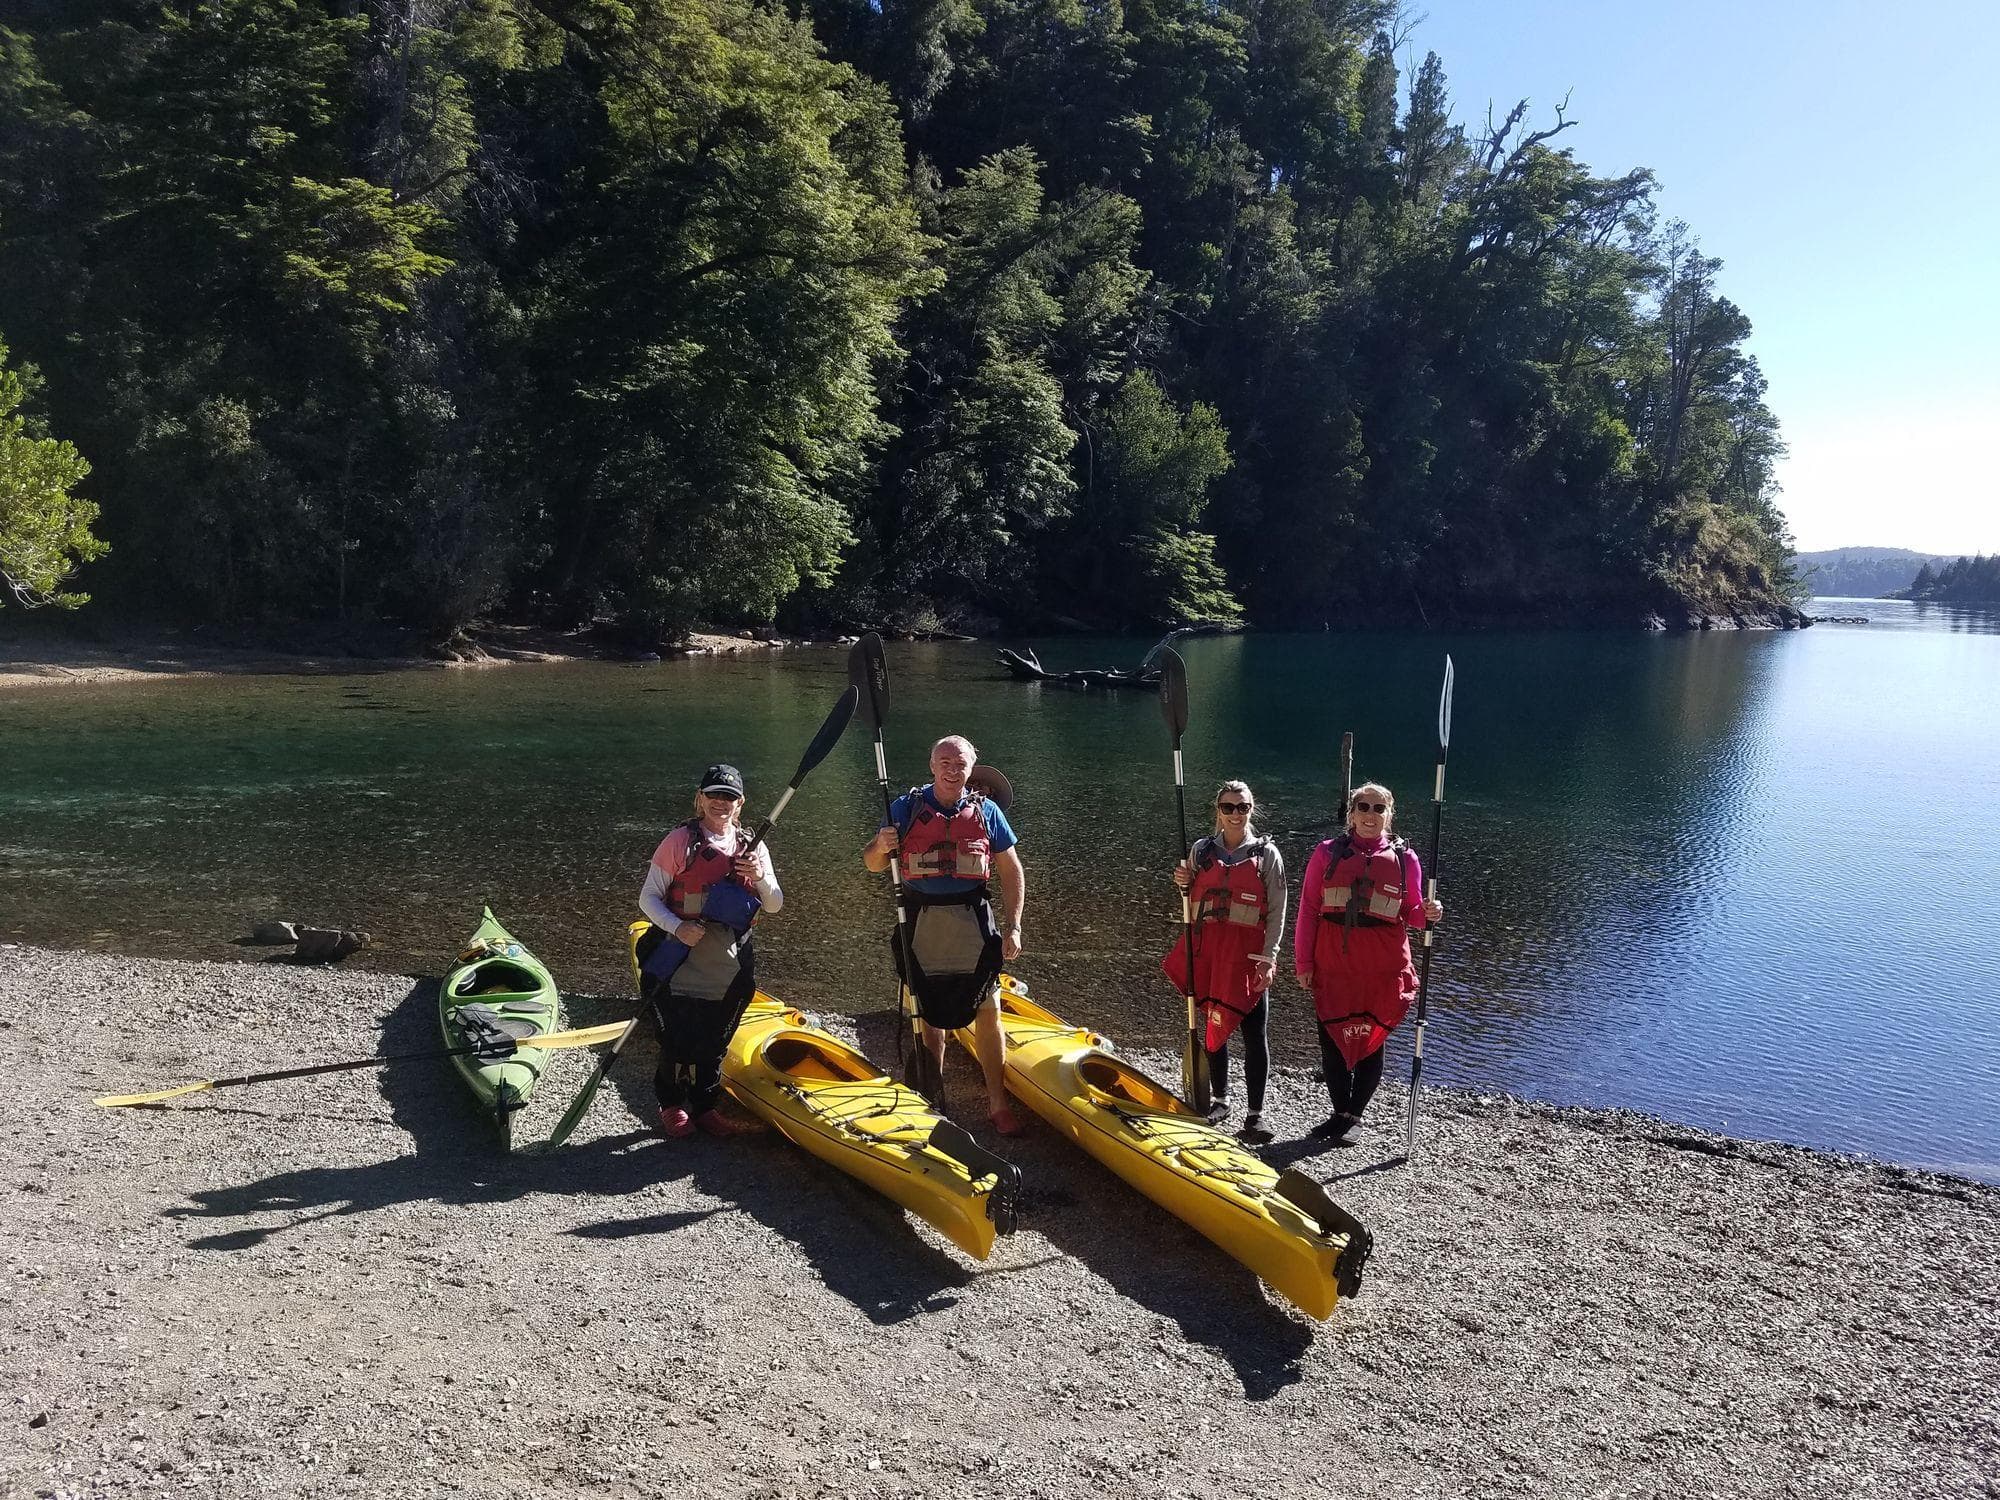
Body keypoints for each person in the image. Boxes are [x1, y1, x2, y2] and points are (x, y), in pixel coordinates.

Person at [861, 735, 1027, 1136]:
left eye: (960, 764)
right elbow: (871, 865)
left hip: (974, 920)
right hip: (921, 923)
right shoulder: (906, 808)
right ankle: (932, 1097)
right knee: (928, 1017)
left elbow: (1011, 870)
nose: (953, 770)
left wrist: (1014, 925)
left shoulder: (987, 812)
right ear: (933, 766)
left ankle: (997, 1103)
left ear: (972, 768)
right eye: (945, 762)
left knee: (989, 1013)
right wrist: (880, 846)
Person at [634, 764, 782, 1138]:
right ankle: (670, 1104)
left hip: (728, 959)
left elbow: (776, 903)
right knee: (674, 1037)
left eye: (729, 797)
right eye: (714, 795)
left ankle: (705, 1107)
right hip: (678, 951)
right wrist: (677, 927)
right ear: (700, 799)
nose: (721, 803)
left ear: (740, 803)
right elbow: (648, 898)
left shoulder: (753, 847)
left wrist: (759, 876)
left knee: (717, 1038)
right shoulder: (679, 842)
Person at [1294, 782, 1443, 1144]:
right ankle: (1338, 1112)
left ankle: (1355, 1115)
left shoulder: (1405, 859)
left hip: (1382, 966)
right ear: (1352, 813)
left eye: (1379, 808)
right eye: (1363, 807)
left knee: (1372, 1040)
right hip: (1333, 963)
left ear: (1389, 815)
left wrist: (1430, 914)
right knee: (1331, 1039)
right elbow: (1309, 909)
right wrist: (1303, 962)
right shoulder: (1326, 853)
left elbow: (1411, 913)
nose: (1370, 815)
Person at [1164, 780, 1287, 1142]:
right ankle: (1220, 1098)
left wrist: (1270, 956)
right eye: (1229, 807)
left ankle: (1256, 1114)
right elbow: (1190, 901)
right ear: (1218, 810)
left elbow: (1278, 910)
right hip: (1212, 955)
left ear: (1252, 809)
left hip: (1247, 957)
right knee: (1213, 1023)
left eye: (1243, 807)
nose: (1236, 814)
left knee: (1254, 1033)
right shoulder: (1202, 850)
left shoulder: (1266, 856)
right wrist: (1181, 881)